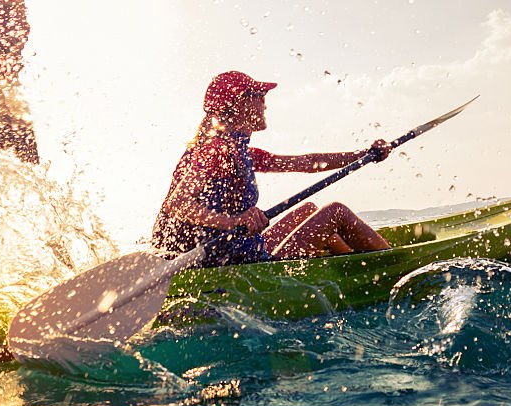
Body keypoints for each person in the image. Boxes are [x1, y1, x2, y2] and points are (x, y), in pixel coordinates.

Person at [152, 70, 393, 267]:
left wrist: (364, 155)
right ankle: (389, 266)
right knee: (336, 212)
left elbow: (307, 163)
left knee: (307, 210)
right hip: (222, 263)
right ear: (239, 104)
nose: (265, 103)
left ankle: (352, 264)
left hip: (234, 253)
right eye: (258, 95)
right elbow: (177, 204)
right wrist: (233, 222)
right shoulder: (216, 151)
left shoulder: (237, 150)